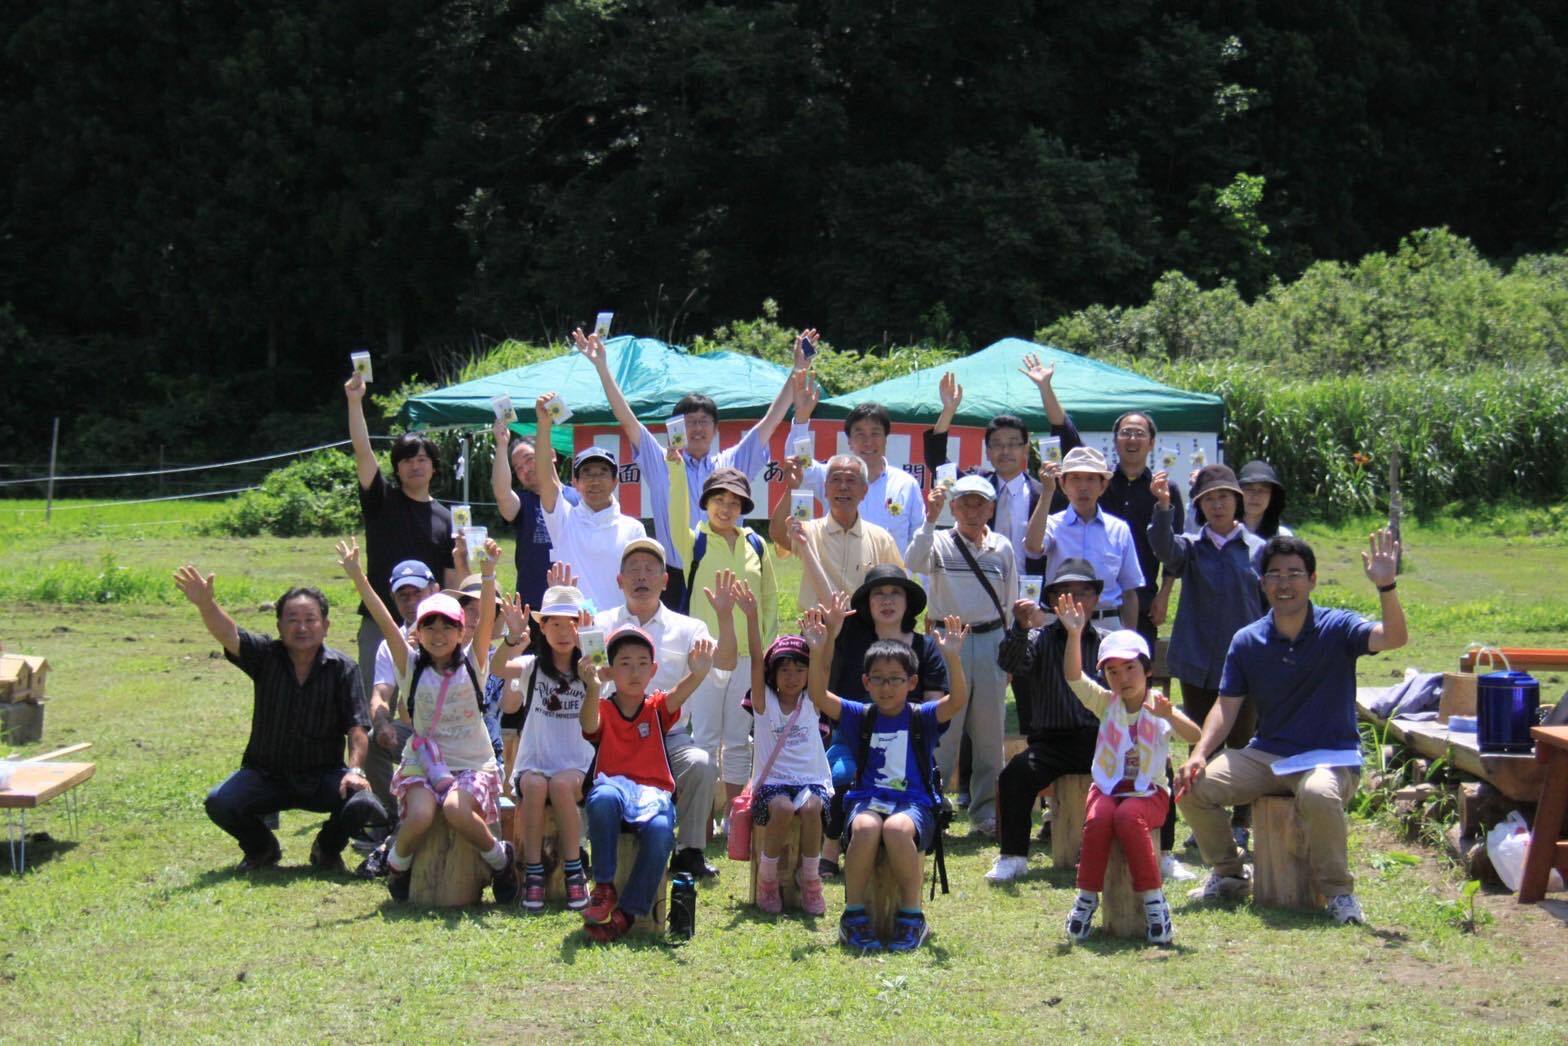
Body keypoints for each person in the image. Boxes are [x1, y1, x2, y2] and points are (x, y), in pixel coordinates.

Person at [1177, 531, 1407, 925]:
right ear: (1262, 583)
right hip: (1269, 753)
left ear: (1312, 579)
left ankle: (1339, 894)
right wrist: (1199, 753)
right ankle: (1230, 874)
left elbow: (1395, 638)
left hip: (1332, 756)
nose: (1285, 583)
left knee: (1318, 793)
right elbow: (1225, 707)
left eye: (1295, 574)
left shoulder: (1338, 627)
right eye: (1275, 575)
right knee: (1191, 787)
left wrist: (1385, 585)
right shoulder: (1248, 641)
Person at [338, 536, 519, 905]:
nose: (439, 636)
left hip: (471, 763)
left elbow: (484, 620)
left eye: (447, 628)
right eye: (429, 628)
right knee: (419, 815)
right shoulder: (410, 665)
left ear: (460, 632)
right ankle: (398, 868)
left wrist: (488, 575)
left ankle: (500, 861)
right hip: (423, 761)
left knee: (454, 809)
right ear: (417, 633)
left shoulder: (474, 662)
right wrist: (357, 576)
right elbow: (383, 618)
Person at [575, 327, 807, 609]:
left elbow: (772, 419)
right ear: (677, 428)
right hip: (671, 577)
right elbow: (626, 417)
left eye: (704, 421)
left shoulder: (731, 463)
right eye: (690, 421)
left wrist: (797, 369)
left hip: (721, 573)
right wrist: (602, 367)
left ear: (715, 428)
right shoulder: (661, 460)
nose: (697, 428)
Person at [176, 566, 385, 873]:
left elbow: (357, 727)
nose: (302, 628)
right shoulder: (266, 656)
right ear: (279, 625)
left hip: (322, 776)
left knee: (361, 802)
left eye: (310, 620)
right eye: (293, 620)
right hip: (266, 775)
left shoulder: (343, 668)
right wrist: (207, 604)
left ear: (325, 625)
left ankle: (326, 850)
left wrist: (354, 770)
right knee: (219, 801)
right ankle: (261, 849)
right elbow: (229, 635)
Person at [803, 607, 969, 953]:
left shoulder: (921, 716)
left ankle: (913, 916)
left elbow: (957, 703)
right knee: (864, 829)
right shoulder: (860, 714)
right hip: (867, 799)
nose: (887, 686)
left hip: (914, 803)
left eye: (896, 678)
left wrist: (952, 658)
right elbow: (819, 698)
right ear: (866, 682)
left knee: (895, 829)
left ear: (912, 683)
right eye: (877, 678)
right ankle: (854, 916)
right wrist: (818, 650)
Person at [591, 540, 739, 879]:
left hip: (667, 736)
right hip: (614, 735)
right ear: (619, 580)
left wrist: (725, 618)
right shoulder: (600, 624)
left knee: (700, 764)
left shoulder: (688, 628)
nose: (641, 577)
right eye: (633, 569)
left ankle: (689, 852)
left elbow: (725, 663)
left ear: (664, 580)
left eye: (650, 569)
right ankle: (589, 850)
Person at [1056, 600, 1201, 945]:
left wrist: (1170, 716)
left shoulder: (1158, 706)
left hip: (1149, 794)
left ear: (1147, 670)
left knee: (1128, 818)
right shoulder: (1107, 704)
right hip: (1107, 789)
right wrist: (1075, 634)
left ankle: (1154, 903)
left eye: (1130, 668)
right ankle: (1085, 899)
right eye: (1113, 672)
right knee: (1098, 820)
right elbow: (1073, 677)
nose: (1122, 678)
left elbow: (1195, 737)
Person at [1150, 465, 1266, 849]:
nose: (1217, 505)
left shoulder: (1257, 550)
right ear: (1200, 506)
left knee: (1243, 742)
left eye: (1224, 497)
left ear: (1237, 501)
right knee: (1202, 741)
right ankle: (1206, 822)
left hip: (1246, 667)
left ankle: (1242, 821)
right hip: (1198, 661)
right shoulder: (1190, 547)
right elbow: (1163, 548)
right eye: (1209, 499)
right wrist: (1164, 507)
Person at [580, 625, 715, 942]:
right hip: (612, 785)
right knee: (601, 800)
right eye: (625, 663)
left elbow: (682, 690)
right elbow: (588, 725)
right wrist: (591, 687)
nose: (634, 671)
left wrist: (697, 673)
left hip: (653, 794)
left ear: (654, 669)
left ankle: (627, 914)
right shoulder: (603, 707)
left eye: (643, 663)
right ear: (611, 670)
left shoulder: (656, 708)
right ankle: (603, 886)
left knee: (660, 832)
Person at [816, 566, 951, 878]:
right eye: (879, 593)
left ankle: (906, 839)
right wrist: (828, 639)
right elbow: (822, 688)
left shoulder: (925, 646)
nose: (887, 600)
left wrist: (901, 717)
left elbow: (935, 703)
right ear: (868, 602)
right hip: (852, 733)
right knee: (845, 773)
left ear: (907, 603)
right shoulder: (848, 638)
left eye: (895, 593)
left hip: (908, 737)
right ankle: (832, 844)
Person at [905, 474, 1019, 836]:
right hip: (945, 641)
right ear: (953, 507)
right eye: (965, 503)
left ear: (991, 507)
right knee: (942, 729)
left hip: (990, 640)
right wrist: (928, 518)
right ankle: (933, 805)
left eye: (980, 503)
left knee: (988, 733)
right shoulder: (937, 541)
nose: (972, 510)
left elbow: (1011, 601)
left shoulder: (1002, 547)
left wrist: (1010, 648)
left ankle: (985, 811)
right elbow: (914, 561)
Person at [986, 559, 1107, 883]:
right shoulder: (1038, 638)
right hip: (1053, 741)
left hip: (1103, 739)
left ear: (1095, 599)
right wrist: (1020, 627)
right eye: (1065, 592)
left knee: (1157, 767)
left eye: (1083, 592)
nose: (1075, 599)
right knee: (1015, 774)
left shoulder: (1109, 641)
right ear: (1053, 602)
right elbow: (1010, 662)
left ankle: (1162, 854)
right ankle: (1013, 856)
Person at [669, 448, 778, 809]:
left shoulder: (756, 544)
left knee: (735, 739)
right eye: (719, 499)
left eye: (735, 502)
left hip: (748, 657)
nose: (726, 508)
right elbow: (675, 514)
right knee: (703, 737)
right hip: (706, 655)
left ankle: (733, 818)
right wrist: (675, 470)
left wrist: (767, 652)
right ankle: (700, 816)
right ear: (706, 502)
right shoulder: (694, 540)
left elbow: (769, 601)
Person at [344, 371, 457, 694]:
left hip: (430, 625)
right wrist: (355, 402)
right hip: (379, 620)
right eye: (407, 460)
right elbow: (363, 452)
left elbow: (450, 580)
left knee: (425, 701)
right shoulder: (381, 500)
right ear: (397, 468)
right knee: (374, 702)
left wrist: (449, 624)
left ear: (434, 467)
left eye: (422, 459)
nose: (415, 466)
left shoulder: (446, 518)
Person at [922, 353, 1082, 575]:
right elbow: (937, 460)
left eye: (1013, 444)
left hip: (1031, 594)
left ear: (1026, 449)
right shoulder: (975, 485)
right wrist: (948, 410)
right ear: (987, 452)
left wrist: (1045, 389)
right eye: (997, 444)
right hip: (981, 590)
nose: (1005, 451)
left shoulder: (1045, 492)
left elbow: (1071, 445)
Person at [493, 586, 596, 913]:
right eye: (555, 624)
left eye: (572, 623)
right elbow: (496, 668)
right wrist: (510, 639)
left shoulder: (591, 665)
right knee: (536, 786)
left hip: (577, 764)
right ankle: (533, 872)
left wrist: (593, 644)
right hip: (534, 762)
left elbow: (607, 677)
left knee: (563, 785)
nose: (564, 632)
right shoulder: (531, 666)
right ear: (542, 627)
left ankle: (573, 869)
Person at [737, 588, 831, 916]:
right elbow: (754, 659)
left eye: (800, 671)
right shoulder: (765, 704)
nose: (792, 678)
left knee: (812, 807)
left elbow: (824, 666)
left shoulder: (813, 701)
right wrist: (751, 617)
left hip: (811, 780)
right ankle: (767, 878)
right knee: (782, 808)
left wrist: (822, 641)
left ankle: (810, 879)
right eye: (784, 670)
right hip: (773, 783)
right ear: (773, 674)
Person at [533, 392, 647, 614]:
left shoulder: (633, 529)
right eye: (587, 473)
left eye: (603, 473)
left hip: (619, 629)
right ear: (575, 482)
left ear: (615, 481)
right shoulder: (564, 518)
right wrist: (544, 425)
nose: (595, 480)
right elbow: (545, 478)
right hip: (571, 629)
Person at [1024, 446, 1144, 631]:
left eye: (1090, 479)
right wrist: (1047, 492)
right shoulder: (1053, 524)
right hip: (1059, 623)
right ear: (1063, 485)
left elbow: (1129, 591)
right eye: (1075, 478)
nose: (1083, 487)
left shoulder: (1118, 529)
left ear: (1103, 486)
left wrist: (1130, 639)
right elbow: (1032, 547)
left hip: (1106, 623)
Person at [789, 394, 924, 556]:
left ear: (886, 439)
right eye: (860, 434)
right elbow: (798, 463)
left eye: (875, 433)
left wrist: (923, 581)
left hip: (890, 578)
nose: (868, 442)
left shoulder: (906, 484)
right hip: (839, 576)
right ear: (849, 441)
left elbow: (920, 540)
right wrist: (801, 420)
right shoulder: (831, 477)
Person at [769, 454, 904, 608]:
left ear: (864, 490)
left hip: (862, 626)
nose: (843, 487)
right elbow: (778, 533)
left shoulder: (881, 539)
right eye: (836, 480)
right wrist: (791, 489)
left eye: (851, 480)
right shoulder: (807, 532)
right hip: (817, 626)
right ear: (825, 488)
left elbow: (898, 585)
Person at [1097, 411, 1183, 652]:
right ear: (1115, 441)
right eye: (1125, 433)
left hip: (1145, 599)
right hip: (1098, 599)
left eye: (1139, 434)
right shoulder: (1099, 485)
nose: (1132, 439)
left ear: (1151, 443)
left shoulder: (1165, 489)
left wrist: (1164, 595)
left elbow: (1175, 549)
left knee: (1138, 674)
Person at [366, 560, 441, 821]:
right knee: (371, 739)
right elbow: (381, 694)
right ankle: (389, 815)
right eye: (403, 596)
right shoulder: (390, 644)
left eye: (417, 594)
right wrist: (381, 721)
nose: (411, 603)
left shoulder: (456, 631)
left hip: (456, 730)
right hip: (415, 732)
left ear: (435, 591)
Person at [489, 416, 579, 608]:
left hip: (576, 602)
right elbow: (502, 493)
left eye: (529, 460)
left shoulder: (579, 498)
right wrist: (502, 445)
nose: (526, 470)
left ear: (551, 455)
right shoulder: (523, 502)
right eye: (518, 469)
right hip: (532, 604)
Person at [1238, 459, 1292, 539]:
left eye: (1263, 491)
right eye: (1249, 489)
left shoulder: (1282, 536)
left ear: (1272, 496)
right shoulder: (1224, 533)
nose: (1255, 496)